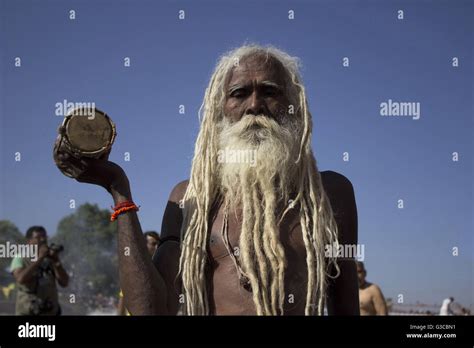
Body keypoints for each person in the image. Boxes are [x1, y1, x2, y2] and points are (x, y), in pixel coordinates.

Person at [54, 44, 359, 315]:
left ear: (293, 104)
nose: (254, 106)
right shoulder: (190, 196)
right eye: (239, 93)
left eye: (269, 91)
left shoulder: (329, 192)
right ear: (220, 110)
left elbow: (346, 306)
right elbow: (151, 310)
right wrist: (118, 188)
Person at [10, 226, 69, 315]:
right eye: (38, 238)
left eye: (44, 237)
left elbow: (64, 283)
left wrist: (56, 261)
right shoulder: (20, 258)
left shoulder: (50, 259)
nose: (42, 240)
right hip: (28, 314)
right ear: (29, 241)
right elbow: (21, 279)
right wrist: (40, 258)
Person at [117, 231, 161, 315]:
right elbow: (123, 300)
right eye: (153, 244)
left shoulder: (159, 268)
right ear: (144, 245)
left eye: (158, 244)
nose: (157, 247)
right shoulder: (134, 268)